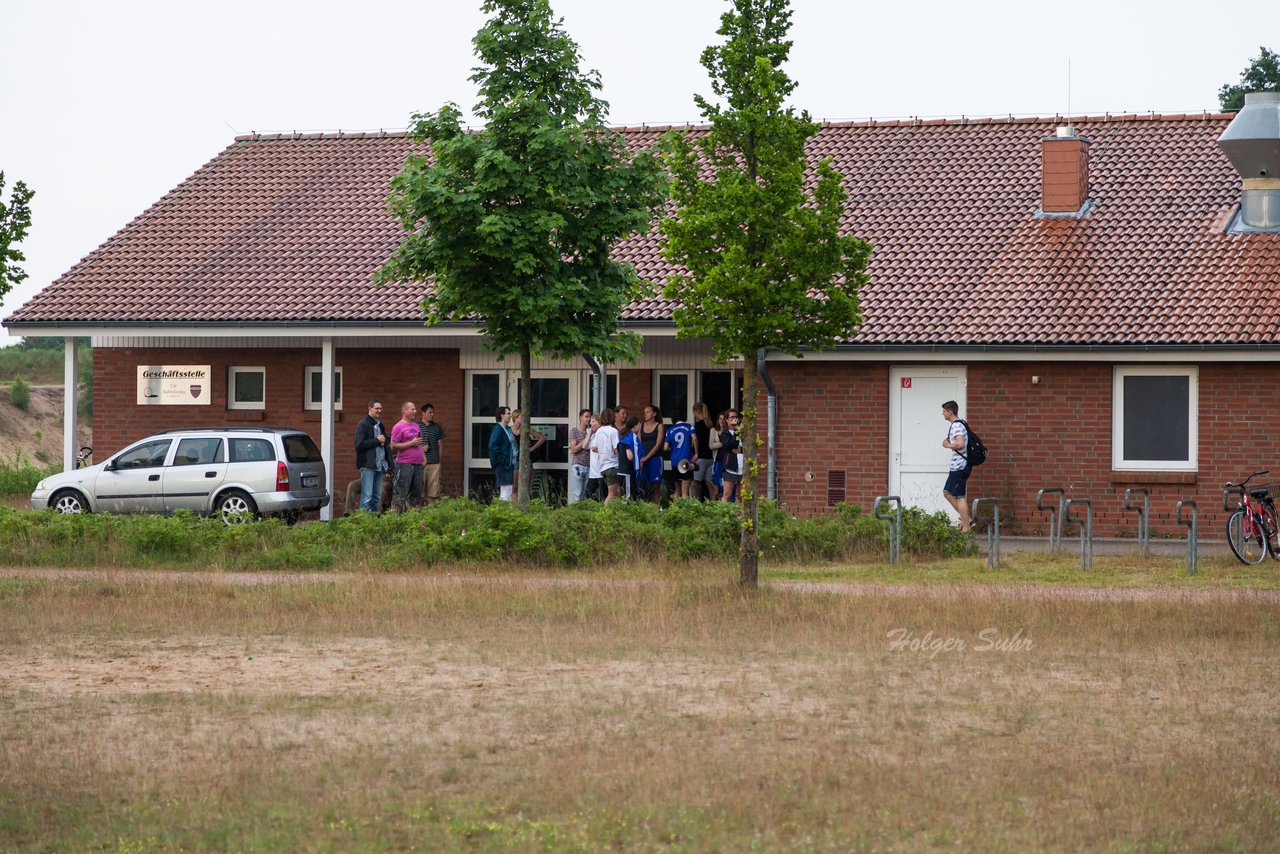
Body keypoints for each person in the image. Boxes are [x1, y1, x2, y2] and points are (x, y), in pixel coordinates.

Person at [941, 400, 973, 533]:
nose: (942, 414)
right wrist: (947, 441)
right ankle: (966, 520)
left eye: (944, 411)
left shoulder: (957, 426)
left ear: (950, 412)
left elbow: (960, 444)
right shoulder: (959, 424)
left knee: (958, 495)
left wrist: (948, 445)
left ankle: (966, 526)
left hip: (960, 466)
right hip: (958, 466)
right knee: (948, 492)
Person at [353, 399, 389, 512]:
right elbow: (359, 444)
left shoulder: (379, 424)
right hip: (367, 465)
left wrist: (384, 441)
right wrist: (377, 441)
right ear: (370, 409)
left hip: (379, 465)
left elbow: (382, 442)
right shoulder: (363, 424)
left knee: (377, 496)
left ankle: (373, 522)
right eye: (377, 408)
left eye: (380, 408)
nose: (379, 410)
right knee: (367, 497)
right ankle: (363, 523)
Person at [389, 401, 425, 512]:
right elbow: (393, 446)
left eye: (415, 409)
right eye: (412, 409)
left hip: (418, 464)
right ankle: (395, 522)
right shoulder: (398, 427)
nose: (415, 411)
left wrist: (424, 458)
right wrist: (411, 443)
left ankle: (413, 522)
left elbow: (419, 443)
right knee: (400, 495)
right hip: (404, 464)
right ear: (405, 411)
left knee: (416, 495)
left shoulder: (416, 425)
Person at [510, 409, 545, 497]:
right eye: (521, 416)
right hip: (514, 460)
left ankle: (527, 508)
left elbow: (542, 438)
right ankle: (515, 509)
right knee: (515, 487)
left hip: (526, 460)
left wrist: (532, 448)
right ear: (515, 417)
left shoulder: (526, 429)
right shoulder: (509, 430)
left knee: (526, 488)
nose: (523, 418)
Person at [590, 407, 621, 504]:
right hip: (611, 465)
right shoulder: (613, 431)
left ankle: (617, 511)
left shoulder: (599, 431)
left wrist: (604, 449)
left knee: (618, 491)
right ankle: (604, 514)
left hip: (602, 467)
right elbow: (616, 448)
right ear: (613, 417)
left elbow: (594, 448)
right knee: (611, 494)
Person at [417, 403, 446, 505]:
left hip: (434, 462)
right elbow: (411, 444)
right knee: (418, 490)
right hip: (420, 463)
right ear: (423, 413)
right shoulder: (416, 426)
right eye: (429, 412)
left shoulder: (437, 427)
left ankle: (431, 513)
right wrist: (421, 449)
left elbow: (440, 446)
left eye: (433, 412)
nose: (432, 414)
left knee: (433, 492)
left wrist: (439, 462)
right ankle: (417, 513)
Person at [637, 405, 665, 503]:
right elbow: (639, 443)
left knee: (656, 486)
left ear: (654, 414)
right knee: (645, 486)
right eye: (644, 412)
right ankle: (646, 509)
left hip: (655, 459)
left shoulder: (659, 426)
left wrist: (647, 457)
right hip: (644, 460)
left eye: (648, 412)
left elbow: (658, 445)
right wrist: (641, 458)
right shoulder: (641, 426)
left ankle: (656, 509)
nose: (645, 414)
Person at [487, 406, 516, 501]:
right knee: (506, 491)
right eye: (508, 413)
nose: (510, 416)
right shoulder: (498, 429)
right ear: (502, 415)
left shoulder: (507, 429)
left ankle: (505, 511)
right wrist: (501, 460)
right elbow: (492, 446)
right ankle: (502, 511)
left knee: (509, 490)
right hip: (504, 464)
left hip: (509, 463)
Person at [666, 413, 696, 500]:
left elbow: (665, 447)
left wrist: (673, 448)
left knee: (677, 490)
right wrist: (696, 453)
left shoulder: (670, 430)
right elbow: (694, 438)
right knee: (685, 490)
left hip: (674, 461)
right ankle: (684, 513)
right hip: (685, 461)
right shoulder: (689, 427)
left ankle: (675, 511)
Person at [568, 408, 593, 504]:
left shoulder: (592, 432)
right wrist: (586, 438)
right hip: (578, 465)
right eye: (586, 417)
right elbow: (574, 449)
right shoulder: (574, 431)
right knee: (577, 494)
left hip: (590, 466)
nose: (588, 419)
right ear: (580, 417)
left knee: (586, 494)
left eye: (590, 417)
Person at [691, 402, 714, 501]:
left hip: (701, 458)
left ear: (697, 411)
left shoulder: (698, 425)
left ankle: (695, 506)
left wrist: (696, 453)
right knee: (709, 482)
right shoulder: (709, 424)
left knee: (695, 483)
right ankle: (714, 503)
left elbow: (696, 440)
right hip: (710, 457)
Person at [719, 410, 743, 503]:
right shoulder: (725, 433)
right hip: (731, 466)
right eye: (732, 417)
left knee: (740, 496)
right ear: (727, 420)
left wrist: (740, 450)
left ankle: (739, 516)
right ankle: (724, 515)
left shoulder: (743, 431)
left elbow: (748, 447)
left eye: (736, 417)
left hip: (743, 466)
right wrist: (736, 430)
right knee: (727, 494)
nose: (734, 419)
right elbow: (732, 445)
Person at [616, 415, 641, 500]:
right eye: (639, 424)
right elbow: (629, 456)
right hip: (627, 472)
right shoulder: (630, 438)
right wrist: (636, 459)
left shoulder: (624, 437)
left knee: (623, 495)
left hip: (621, 470)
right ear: (635, 426)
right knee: (628, 497)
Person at [585, 412, 605, 501]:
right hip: (593, 472)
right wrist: (589, 434)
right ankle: (597, 507)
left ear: (599, 422)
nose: (591, 424)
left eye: (593, 421)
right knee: (588, 492)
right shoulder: (592, 436)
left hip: (601, 470)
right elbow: (584, 446)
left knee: (604, 494)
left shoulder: (602, 434)